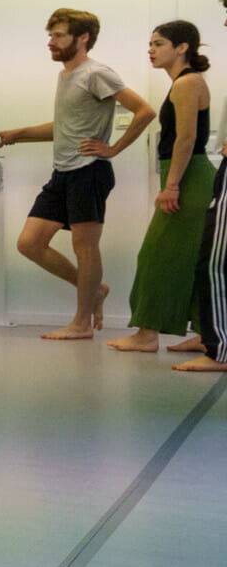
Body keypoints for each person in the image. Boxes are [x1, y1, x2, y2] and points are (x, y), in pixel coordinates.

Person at [0, 8, 155, 341]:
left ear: (83, 38)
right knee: (29, 243)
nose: (51, 42)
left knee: (85, 247)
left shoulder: (96, 73)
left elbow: (145, 111)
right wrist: (20, 133)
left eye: (58, 36)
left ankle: (82, 324)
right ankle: (95, 291)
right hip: (63, 173)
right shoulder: (66, 75)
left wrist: (114, 148)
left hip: (89, 172)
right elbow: (64, 127)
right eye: (50, 35)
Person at [105, 21, 213, 350]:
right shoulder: (186, 82)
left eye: (158, 44)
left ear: (182, 47)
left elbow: (187, 138)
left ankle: (146, 334)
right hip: (188, 176)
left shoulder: (187, 83)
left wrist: (172, 186)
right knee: (194, 258)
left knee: (155, 255)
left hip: (191, 178)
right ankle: (207, 336)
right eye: (150, 44)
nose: (150, 50)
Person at [172, 0, 227, 374]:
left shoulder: (188, 82)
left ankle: (220, 350)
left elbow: (187, 136)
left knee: (216, 262)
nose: (224, 22)